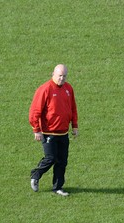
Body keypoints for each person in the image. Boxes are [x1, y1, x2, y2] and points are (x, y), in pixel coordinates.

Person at [29, 64, 78, 196]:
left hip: (63, 132)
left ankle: (57, 187)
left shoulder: (68, 89)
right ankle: (36, 174)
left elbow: (72, 107)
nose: (62, 78)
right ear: (53, 74)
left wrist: (75, 126)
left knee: (62, 161)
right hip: (48, 132)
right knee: (50, 158)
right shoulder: (45, 89)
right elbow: (35, 111)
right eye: (59, 76)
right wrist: (36, 130)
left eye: (64, 76)